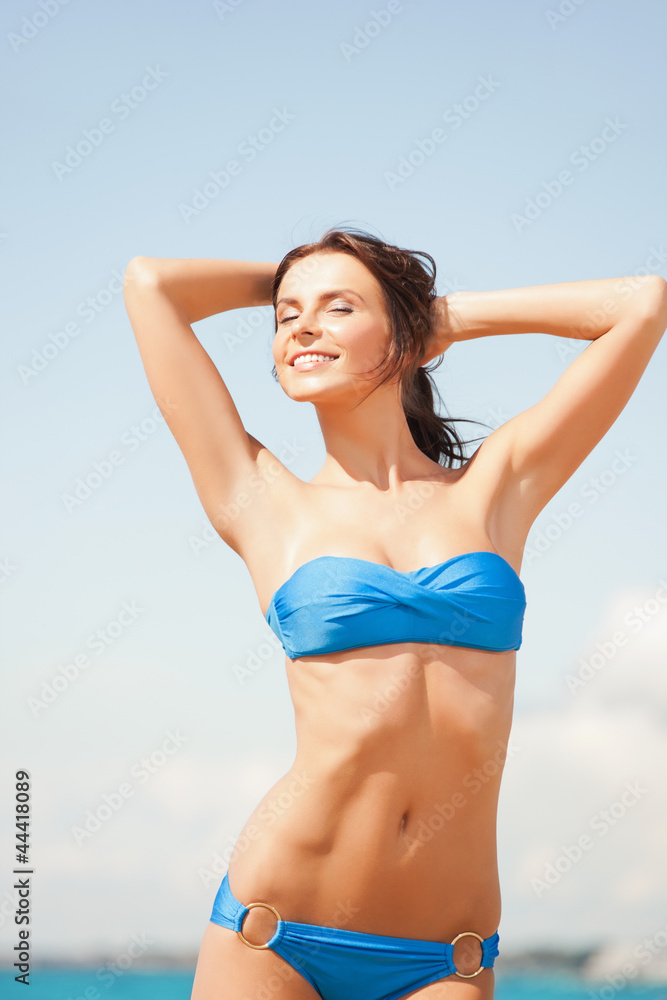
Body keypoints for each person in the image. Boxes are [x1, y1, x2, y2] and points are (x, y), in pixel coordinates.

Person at [123, 227, 667, 1000]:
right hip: (275, 929)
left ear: (407, 336)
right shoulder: (263, 501)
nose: (302, 327)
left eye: (338, 308)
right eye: (285, 317)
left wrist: (432, 316)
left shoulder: (495, 491)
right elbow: (152, 287)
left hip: (444, 956)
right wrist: (310, 291)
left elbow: (640, 304)